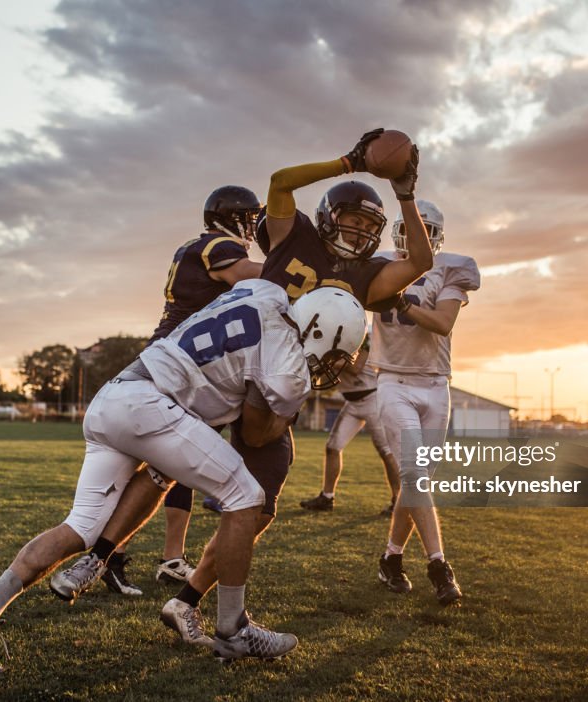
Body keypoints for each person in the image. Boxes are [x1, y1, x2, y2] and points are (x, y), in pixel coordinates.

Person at [47, 130, 435, 646]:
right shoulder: (293, 235)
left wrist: (405, 195)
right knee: (163, 474)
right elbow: (280, 182)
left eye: (370, 224)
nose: (360, 231)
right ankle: (100, 560)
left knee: (256, 506)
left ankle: (187, 601)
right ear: (327, 216)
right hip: (227, 369)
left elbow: (420, 264)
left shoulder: (365, 275)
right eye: (353, 219)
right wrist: (350, 162)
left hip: (274, 388)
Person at [0, 281, 367, 674]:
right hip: (152, 405)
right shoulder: (289, 363)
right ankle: (233, 629)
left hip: (116, 395)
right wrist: (286, 412)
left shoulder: (263, 291)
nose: (331, 367)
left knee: (81, 527)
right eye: (334, 356)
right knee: (246, 497)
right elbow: (256, 435)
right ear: (318, 333)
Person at [99, 185, 264, 594]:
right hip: (181, 366)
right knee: (161, 469)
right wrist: (305, 270)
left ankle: (163, 555)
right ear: (234, 217)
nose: (252, 226)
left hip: (176, 361)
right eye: (250, 217)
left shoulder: (198, 246)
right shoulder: (218, 246)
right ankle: (107, 554)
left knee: (173, 470)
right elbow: (252, 276)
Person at [370, 199, 480, 605]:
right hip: (393, 382)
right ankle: (439, 567)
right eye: (418, 230)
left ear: (438, 236)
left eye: (430, 231)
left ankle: (391, 559)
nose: (422, 238)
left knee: (417, 484)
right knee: (415, 476)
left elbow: (443, 323)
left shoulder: (450, 270)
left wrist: (399, 301)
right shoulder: (375, 264)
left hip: (436, 386)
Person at [299, 333, 401, 514]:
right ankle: (327, 497)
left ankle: (399, 502)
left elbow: (356, 367)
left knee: (387, 452)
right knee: (332, 447)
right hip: (351, 403)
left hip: (373, 399)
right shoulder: (330, 337)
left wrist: (322, 360)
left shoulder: (367, 335)